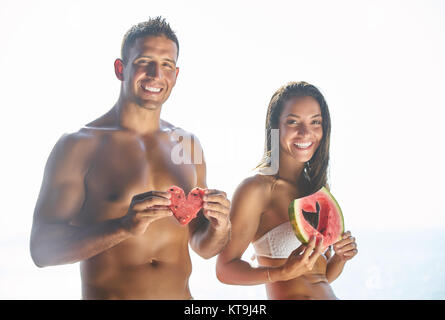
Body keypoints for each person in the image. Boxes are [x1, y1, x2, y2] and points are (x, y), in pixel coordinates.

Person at [30, 17, 231, 300]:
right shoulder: (79, 146)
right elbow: (41, 250)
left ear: (175, 75)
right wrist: (123, 226)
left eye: (166, 65)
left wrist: (221, 227)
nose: (155, 74)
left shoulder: (188, 144)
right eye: (144, 61)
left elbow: (203, 246)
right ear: (120, 69)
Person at [216, 81, 357, 300]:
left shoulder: (317, 189)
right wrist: (281, 272)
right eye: (293, 122)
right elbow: (224, 270)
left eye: (315, 122)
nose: (305, 132)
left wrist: (339, 258)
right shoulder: (256, 189)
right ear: (275, 127)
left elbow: (321, 277)